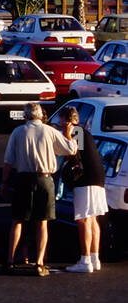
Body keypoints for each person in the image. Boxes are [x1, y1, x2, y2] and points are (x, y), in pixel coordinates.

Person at [2, 102, 79, 275]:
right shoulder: (49, 131)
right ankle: (39, 263)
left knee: (18, 220)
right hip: (45, 179)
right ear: (40, 115)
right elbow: (70, 149)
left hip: (23, 179)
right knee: (42, 222)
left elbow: (8, 161)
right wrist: (68, 133)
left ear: (26, 116)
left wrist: (4, 182)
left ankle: (10, 261)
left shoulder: (18, 132)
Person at [54, 106, 107, 273]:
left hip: (86, 180)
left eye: (61, 120)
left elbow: (73, 153)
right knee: (92, 218)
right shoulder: (85, 132)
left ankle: (85, 261)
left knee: (83, 219)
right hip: (98, 178)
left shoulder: (77, 132)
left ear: (68, 120)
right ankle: (94, 258)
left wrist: (67, 135)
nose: (59, 124)